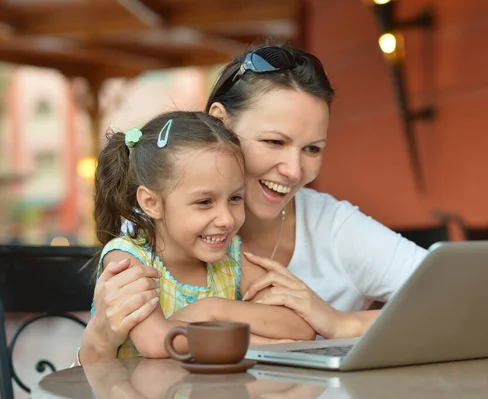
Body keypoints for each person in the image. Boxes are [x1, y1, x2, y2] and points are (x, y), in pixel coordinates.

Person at [78, 42, 428, 364]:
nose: (293, 171)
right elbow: (130, 352)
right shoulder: (147, 236)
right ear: (221, 122)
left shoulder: (320, 230)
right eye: (274, 141)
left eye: (312, 149)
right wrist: (96, 343)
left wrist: (338, 321)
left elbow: (458, 298)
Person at [89, 110, 314, 359]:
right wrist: (252, 342)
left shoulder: (233, 259)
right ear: (152, 203)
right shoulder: (129, 259)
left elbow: (301, 326)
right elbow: (156, 342)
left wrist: (212, 310)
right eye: (205, 202)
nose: (227, 219)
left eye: (235, 198)